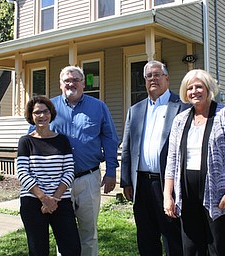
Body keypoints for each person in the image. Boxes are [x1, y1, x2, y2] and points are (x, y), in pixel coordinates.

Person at [163, 69, 225, 256]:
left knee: (218, 248)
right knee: (191, 249)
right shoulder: (180, 120)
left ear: (208, 88)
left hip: (219, 196)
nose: (194, 91)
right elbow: (172, 159)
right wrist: (167, 195)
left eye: (199, 87)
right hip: (187, 195)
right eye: (190, 88)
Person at [120, 60, 188, 255]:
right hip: (141, 185)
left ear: (166, 78)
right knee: (146, 238)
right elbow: (127, 148)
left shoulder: (182, 107)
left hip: (168, 184)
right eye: (148, 76)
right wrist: (126, 181)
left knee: (173, 237)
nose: (153, 79)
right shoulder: (136, 110)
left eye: (157, 74)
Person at [50, 65, 119, 256]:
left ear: (83, 84)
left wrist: (111, 171)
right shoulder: (50, 108)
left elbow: (110, 139)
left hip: (88, 178)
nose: (71, 83)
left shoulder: (98, 107)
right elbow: (34, 138)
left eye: (75, 80)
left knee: (89, 232)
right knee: (63, 232)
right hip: (58, 180)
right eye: (67, 80)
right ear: (60, 84)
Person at [17, 95, 81, 256]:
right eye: (37, 112)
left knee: (72, 248)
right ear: (31, 116)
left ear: (51, 114)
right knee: (38, 250)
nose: (41, 116)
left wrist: (54, 199)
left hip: (61, 201)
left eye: (45, 112)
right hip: (33, 202)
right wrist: (44, 198)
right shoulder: (25, 142)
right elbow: (23, 173)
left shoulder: (62, 141)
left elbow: (69, 171)